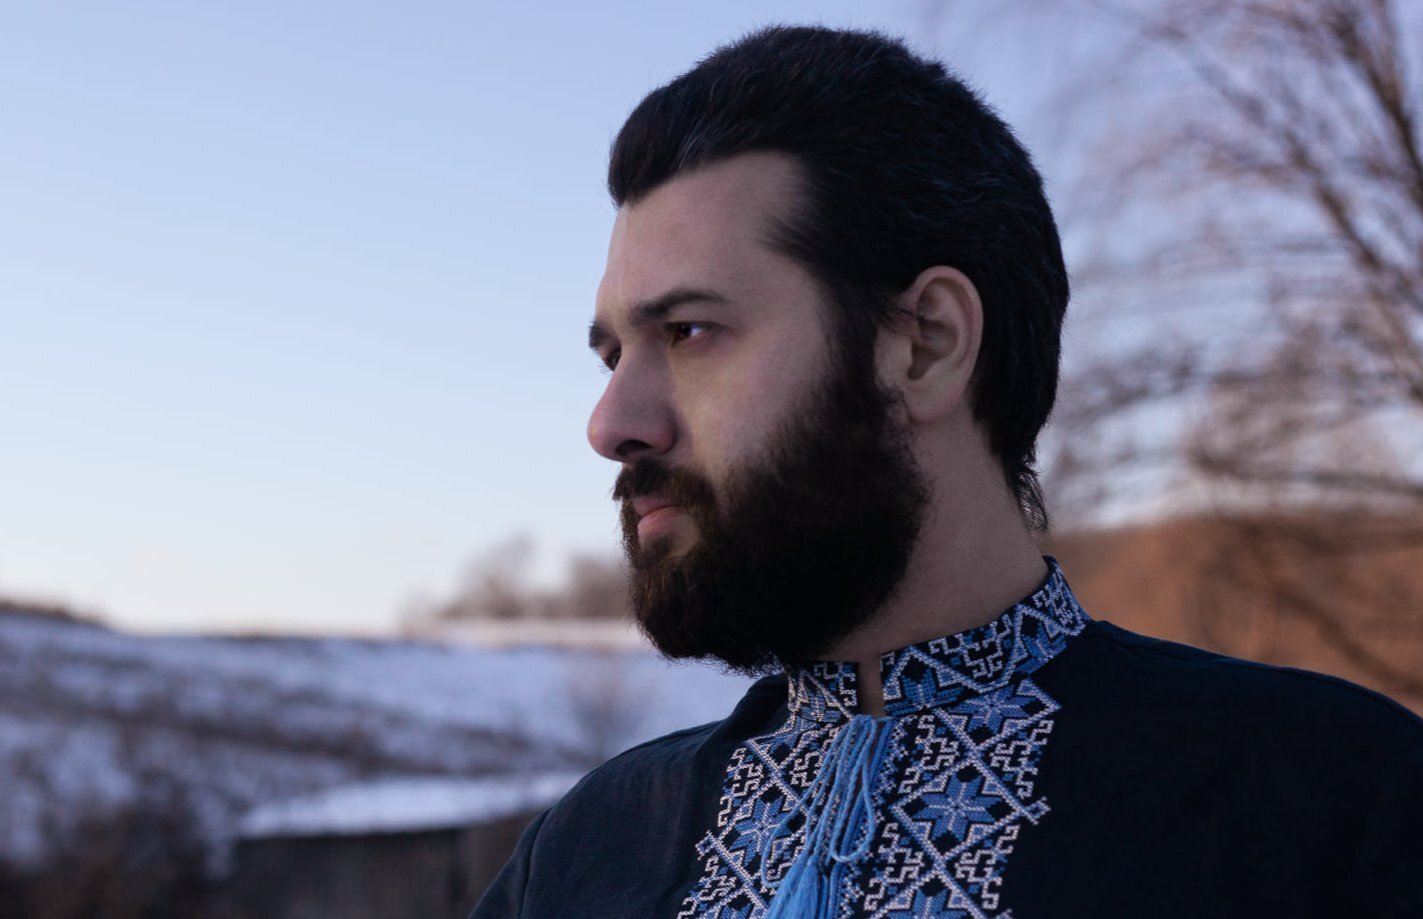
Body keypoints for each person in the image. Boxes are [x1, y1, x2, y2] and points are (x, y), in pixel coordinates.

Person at [472, 25, 1423, 919]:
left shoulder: (1332, 803)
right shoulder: (585, 850)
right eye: (613, 356)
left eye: (688, 332)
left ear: (924, 343)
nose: (611, 424)